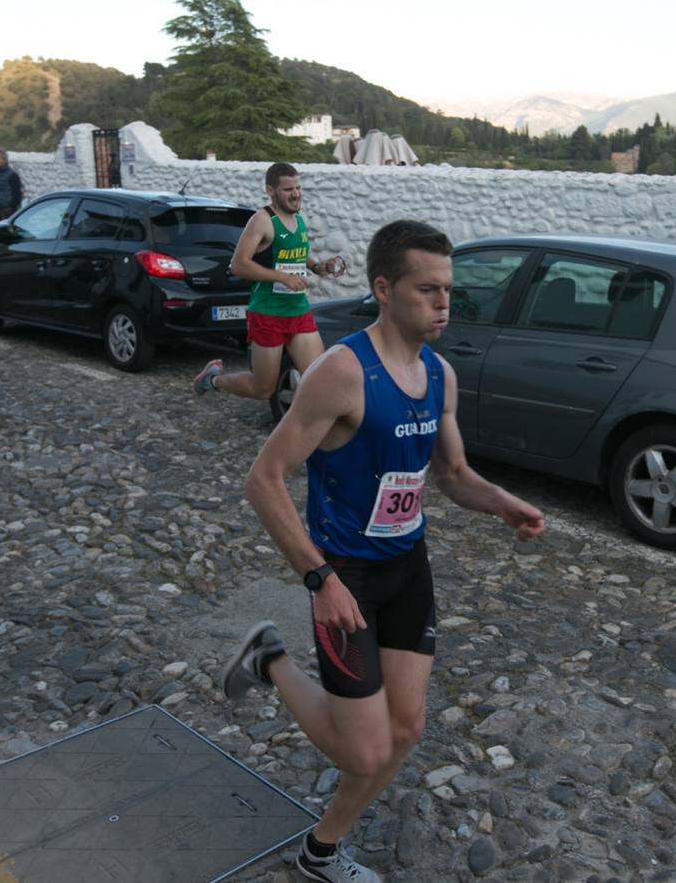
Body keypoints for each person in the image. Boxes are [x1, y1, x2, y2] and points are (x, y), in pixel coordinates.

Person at [223, 220, 546, 882]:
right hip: (345, 579)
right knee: (366, 754)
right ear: (383, 289)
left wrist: (501, 501)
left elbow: (453, 476)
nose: (444, 302)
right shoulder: (342, 373)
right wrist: (318, 579)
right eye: (427, 289)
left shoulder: (439, 374)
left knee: (407, 729)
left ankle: (320, 851)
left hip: (407, 569)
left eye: (448, 289)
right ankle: (270, 659)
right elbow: (264, 479)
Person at [192, 162, 342, 405]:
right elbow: (238, 265)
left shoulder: (297, 218)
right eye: (288, 189)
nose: (296, 194)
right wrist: (282, 277)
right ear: (270, 191)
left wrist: (318, 267)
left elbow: (295, 254)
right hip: (268, 314)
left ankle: (305, 430)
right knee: (262, 389)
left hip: (298, 311)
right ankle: (214, 380)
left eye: (298, 187)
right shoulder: (262, 220)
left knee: (319, 378)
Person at [0, 148, 22, 221]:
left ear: (5, 159)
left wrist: (10, 206)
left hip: (8, 210)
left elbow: (17, 195)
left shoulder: (12, 175)